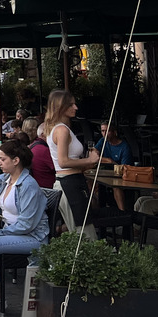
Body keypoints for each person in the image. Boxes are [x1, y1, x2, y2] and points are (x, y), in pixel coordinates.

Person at [0, 140, 50, 312]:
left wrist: (1, 233)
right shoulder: (3, 179)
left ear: (16, 160)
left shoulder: (28, 185)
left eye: (2, 159)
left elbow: (26, 225)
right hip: (14, 233)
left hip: (33, 238)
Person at [44, 89, 102, 227]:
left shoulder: (57, 128)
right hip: (70, 184)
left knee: (81, 229)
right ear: (60, 107)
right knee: (83, 233)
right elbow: (63, 162)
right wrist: (90, 160)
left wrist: (86, 164)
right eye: (71, 105)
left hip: (72, 181)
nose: (75, 107)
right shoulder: (61, 130)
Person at [26, 120, 55, 188]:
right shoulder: (44, 150)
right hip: (48, 189)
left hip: (37, 186)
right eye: (51, 132)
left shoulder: (33, 145)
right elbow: (59, 167)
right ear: (43, 135)